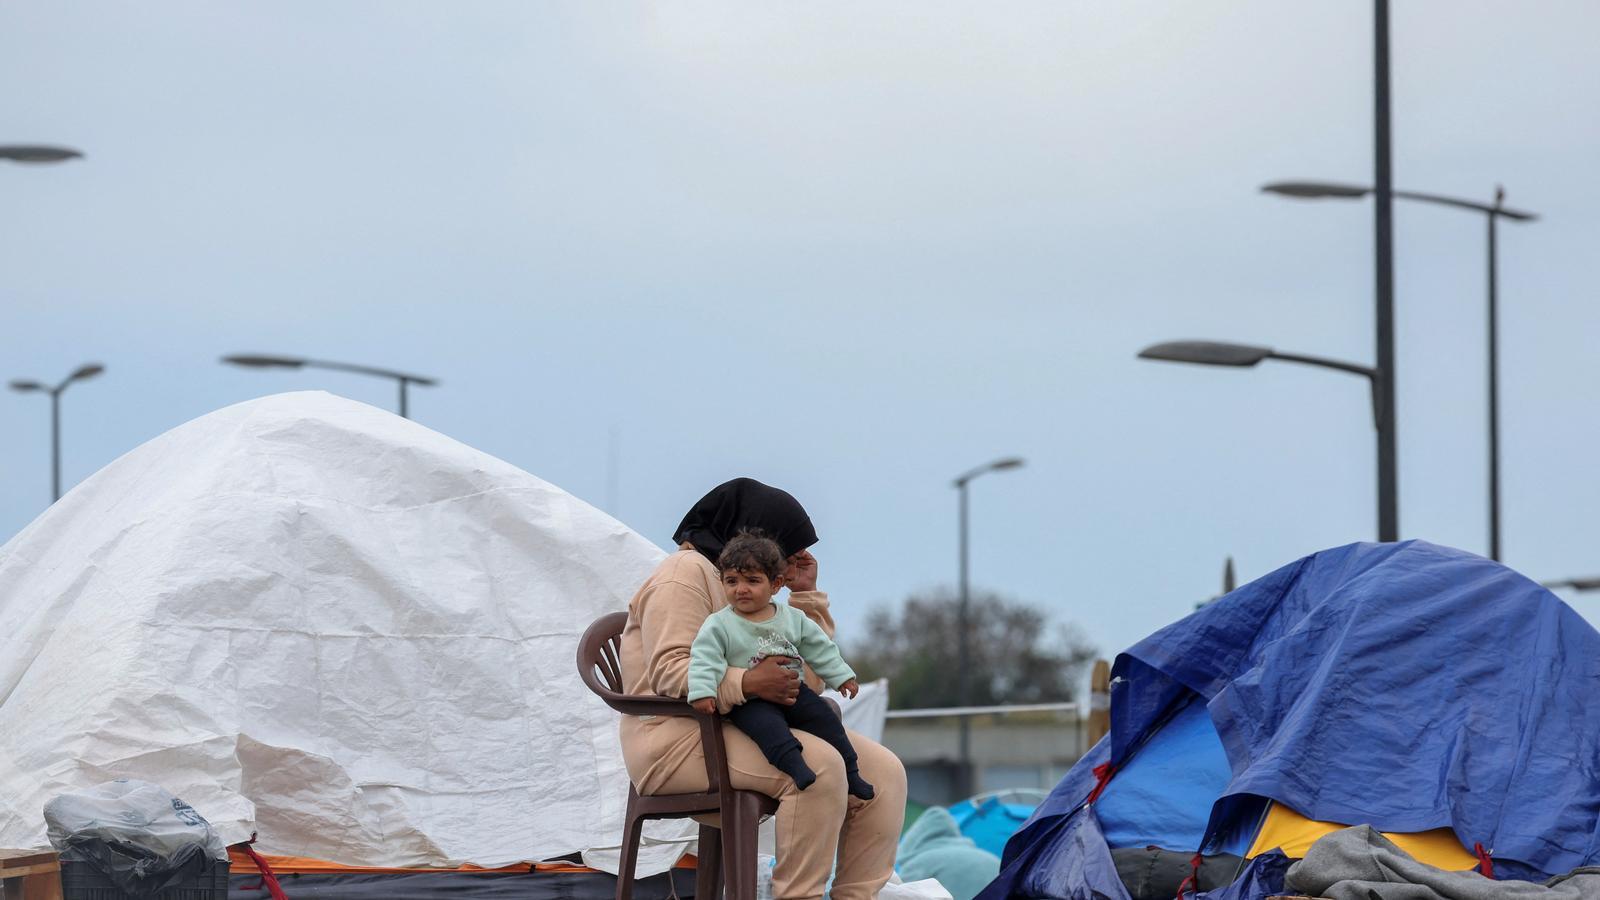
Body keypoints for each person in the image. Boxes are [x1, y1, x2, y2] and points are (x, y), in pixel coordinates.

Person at [617, 478, 906, 900]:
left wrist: (804, 594)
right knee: (820, 767)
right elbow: (670, 672)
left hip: (741, 727)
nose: (787, 564)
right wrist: (748, 682)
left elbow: (805, 682)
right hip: (675, 739)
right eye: (784, 550)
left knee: (883, 773)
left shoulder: (754, 597)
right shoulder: (684, 575)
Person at [688, 530, 874, 800]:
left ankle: (852, 773)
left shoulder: (791, 618)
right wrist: (703, 691)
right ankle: (795, 768)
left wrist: (842, 676)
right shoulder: (718, 624)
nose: (740, 589)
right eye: (731, 581)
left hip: (792, 691)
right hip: (749, 701)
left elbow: (819, 647)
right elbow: (705, 658)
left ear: (775, 584)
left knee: (825, 718)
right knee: (767, 729)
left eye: (752, 581)